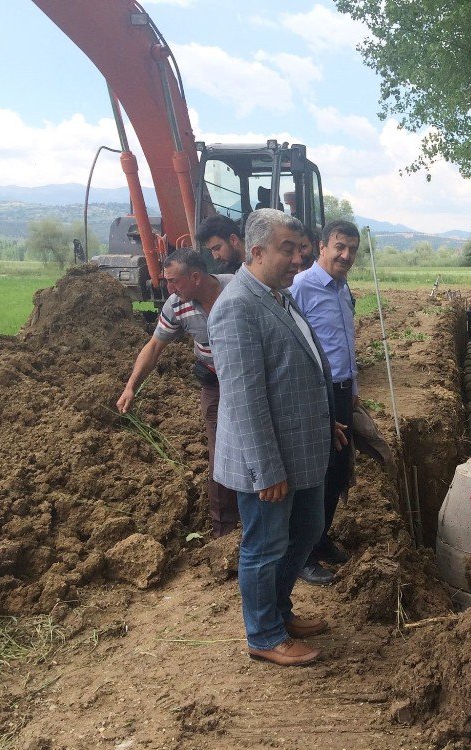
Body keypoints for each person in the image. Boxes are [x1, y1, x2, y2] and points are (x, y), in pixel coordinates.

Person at [207, 208, 346, 667]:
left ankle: (279, 610)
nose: (298, 258)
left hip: (301, 449)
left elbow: (298, 369)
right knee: (265, 545)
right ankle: (263, 634)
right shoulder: (237, 307)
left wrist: (326, 421)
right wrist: (265, 469)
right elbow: (245, 400)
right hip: (269, 460)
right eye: (288, 249)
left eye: (300, 249)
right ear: (256, 250)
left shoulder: (277, 296)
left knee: (306, 530)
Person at [116, 248, 239, 538]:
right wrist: (131, 385)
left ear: (195, 277)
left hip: (253, 382)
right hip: (214, 384)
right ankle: (225, 532)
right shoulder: (176, 305)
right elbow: (155, 347)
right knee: (219, 453)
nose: (169, 288)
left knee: (258, 445)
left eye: (174, 281)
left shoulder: (238, 288)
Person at [289, 219, 360, 585]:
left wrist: (354, 389)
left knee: (336, 471)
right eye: (340, 246)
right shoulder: (300, 288)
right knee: (314, 474)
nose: (346, 255)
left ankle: (320, 539)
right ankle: (301, 556)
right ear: (322, 246)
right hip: (319, 393)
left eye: (352, 249)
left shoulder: (343, 287)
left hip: (343, 391)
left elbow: (344, 341)